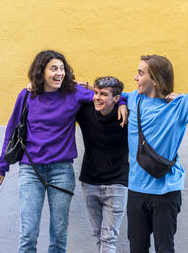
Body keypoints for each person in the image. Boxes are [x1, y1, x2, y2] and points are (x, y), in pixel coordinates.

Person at [0, 50, 127, 253]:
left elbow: (109, 95)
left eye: (62, 69)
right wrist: (1, 168)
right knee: (28, 233)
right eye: (53, 69)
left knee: (59, 234)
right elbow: (12, 130)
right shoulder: (27, 95)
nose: (59, 73)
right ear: (41, 71)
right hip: (31, 171)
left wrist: (123, 103)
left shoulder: (73, 93)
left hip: (61, 172)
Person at [121, 25, 188, 253]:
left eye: (140, 73)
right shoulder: (134, 99)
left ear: (155, 78)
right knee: (137, 248)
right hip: (136, 190)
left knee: (165, 248)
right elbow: (113, 94)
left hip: (165, 192)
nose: (135, 77)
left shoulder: (177, 108)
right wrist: (123, 105)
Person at [76, 76, 128, 253]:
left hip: (117, 183)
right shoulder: (85, 111)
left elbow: (140, 98)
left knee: (108, 238)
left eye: (103, 94)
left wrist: (124, 102)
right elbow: (64, 96)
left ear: (116, 98)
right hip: (89, 182)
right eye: (96, 92)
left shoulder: (126, 114)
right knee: (99, 234)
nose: (97, 97)